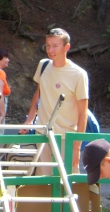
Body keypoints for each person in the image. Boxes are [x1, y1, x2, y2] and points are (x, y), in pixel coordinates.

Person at [21, 28, 88, 172]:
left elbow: (83, 114)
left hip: (66, 137)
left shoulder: (78, 74)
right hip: (42, 134)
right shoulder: (43, 65)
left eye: (55, 46)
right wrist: (29, 120)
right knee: (44, 179)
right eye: (48, 45)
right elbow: (38, 94)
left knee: (67, 181)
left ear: (67, 47)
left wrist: (77, 147)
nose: (50, 50)